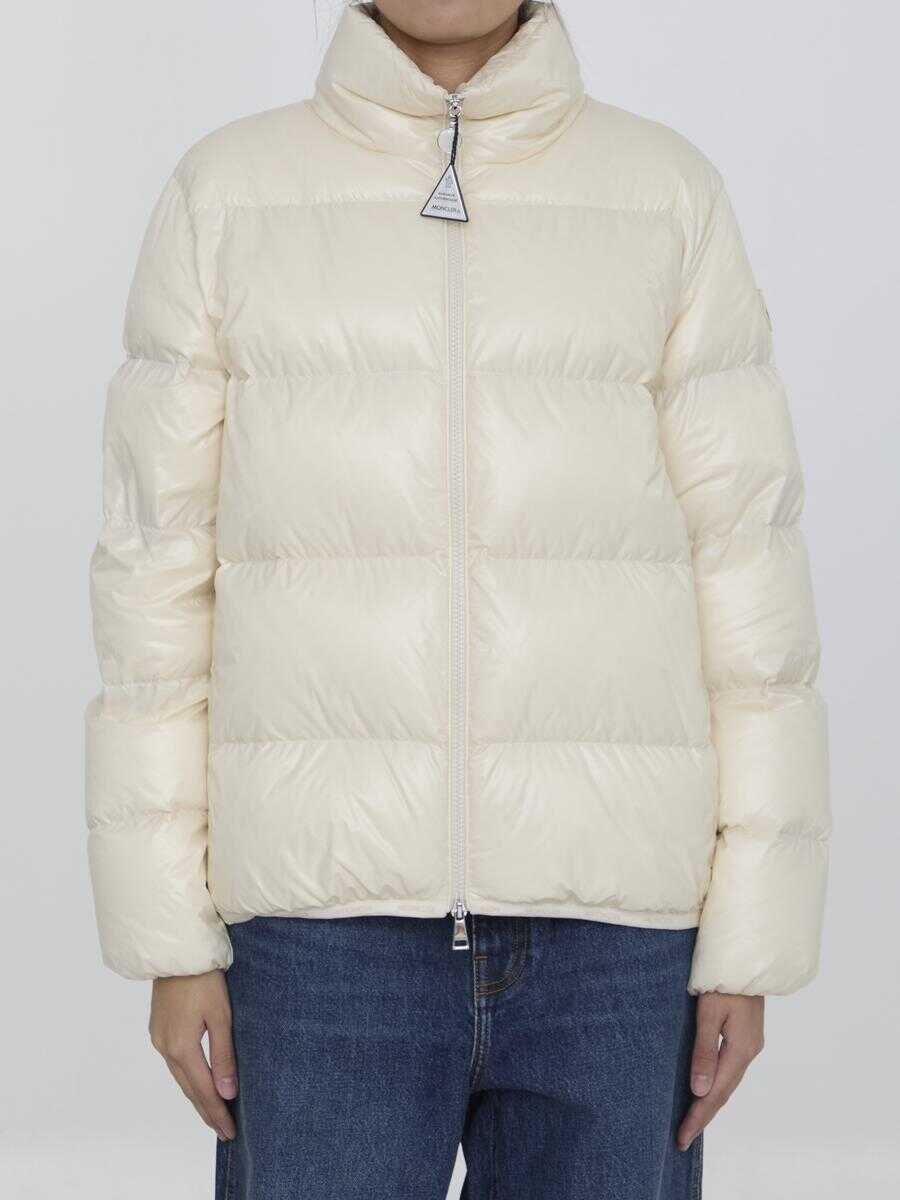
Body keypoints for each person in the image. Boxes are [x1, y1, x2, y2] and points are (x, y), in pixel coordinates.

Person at [85, 2, 830, 1196]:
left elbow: (751, 579)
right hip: (319, 938)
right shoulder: (225, 195)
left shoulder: (665, 195)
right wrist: (168, 936)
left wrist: (752, 935)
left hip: (618, 939)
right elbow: (154, 590)